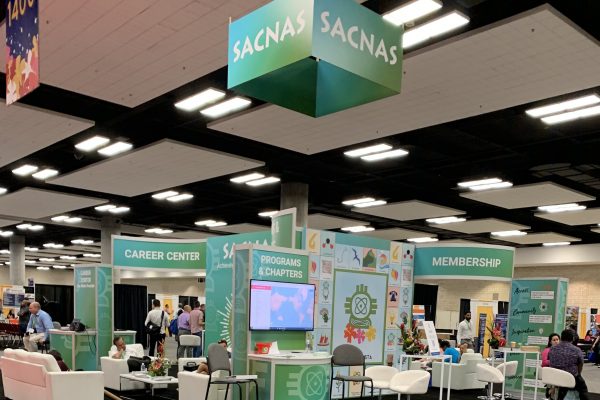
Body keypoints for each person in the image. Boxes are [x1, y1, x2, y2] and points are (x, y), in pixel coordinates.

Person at [549, 329, 589, 400]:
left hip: (555, 377)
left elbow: (551, 362)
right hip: (570, 377)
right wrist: (578, 373)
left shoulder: (552, 349)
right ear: (573, 338)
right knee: (583, 389)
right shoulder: (576, 350)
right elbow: (581, 363)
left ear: (561, 337)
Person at [542, 333, 560, 399]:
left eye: (557, 339)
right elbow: (544, 363)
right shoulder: (547, 350)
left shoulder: (560, 350)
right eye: (554, 340)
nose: (556, 341)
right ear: (550, 341)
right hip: (550, 373)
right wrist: (555, 362)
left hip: (558, 373)